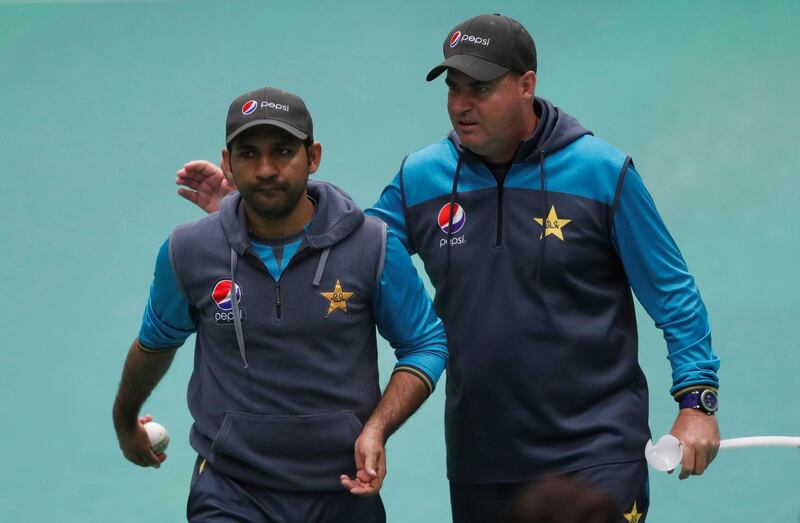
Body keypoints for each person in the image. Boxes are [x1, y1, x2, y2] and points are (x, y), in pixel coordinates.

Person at [175, 14, 721, 522]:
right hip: (482, 454)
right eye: (453, 88)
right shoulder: (424, 177)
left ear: (526, 85)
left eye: (479, 88)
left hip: (597, 449)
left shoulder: (603, 174)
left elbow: (672, 292)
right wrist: (250, 212)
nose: (461, 103)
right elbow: (344, 250)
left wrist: (697, 402)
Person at [113, 86, 448, 522]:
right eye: (249, 154)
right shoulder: (189, 251)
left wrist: (377, 428)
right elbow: (155, 343)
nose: (266, 169)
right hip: (230, 490)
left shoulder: (373, 245)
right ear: (228, 160)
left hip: (342, 490)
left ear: (313, 157)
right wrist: (125, 422)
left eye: (283, 151)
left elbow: (425, 343)